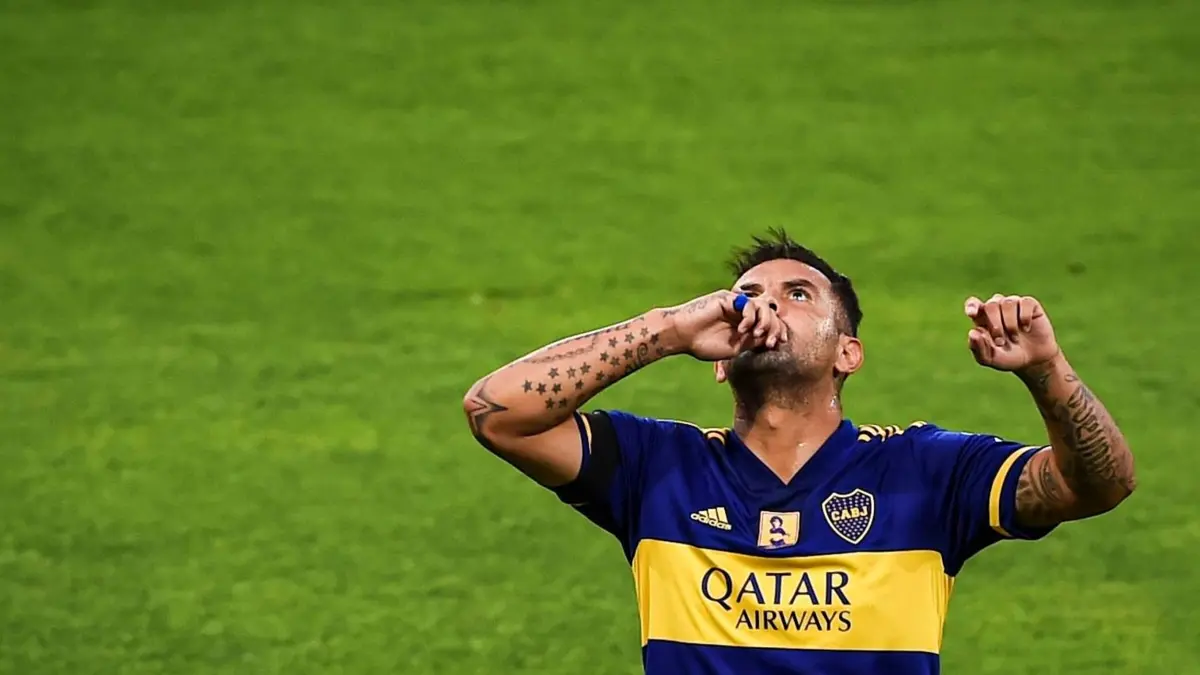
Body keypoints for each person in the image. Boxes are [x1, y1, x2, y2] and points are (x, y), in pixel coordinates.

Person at [462, 229, 1136, 675]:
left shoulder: (927, 470)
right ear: (720, 362)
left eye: (798, 294)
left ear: (848, 353)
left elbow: (1100, 484)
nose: (765, 307)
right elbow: (497, 412)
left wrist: (1045, 369)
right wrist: (667, 329)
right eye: (747, 296)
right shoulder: (656, 466)